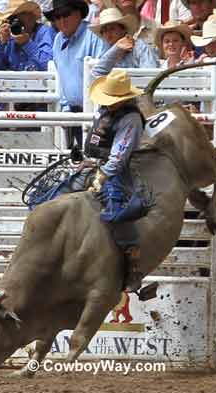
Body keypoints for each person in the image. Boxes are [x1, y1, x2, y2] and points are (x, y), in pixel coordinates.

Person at [86, 69, 146, 292]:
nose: (108, 103)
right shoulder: (105, 111)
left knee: (117, 204)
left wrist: (103, 174)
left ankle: (133, 266)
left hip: (121, 170)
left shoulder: (131, 119)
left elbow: (119, 157)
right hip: (94, 162)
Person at [46, 0, 108, 113]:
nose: (62, 20)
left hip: (95, 111)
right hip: (71, 112)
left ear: (78, 13)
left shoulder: (94, 35)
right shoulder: (58, 40)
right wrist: (65, 108)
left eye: (66, 14)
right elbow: (61, 78)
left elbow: (101, 77)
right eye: (57, 17)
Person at [0, 0, 56, 71]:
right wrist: (0, 44)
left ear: (32, 16)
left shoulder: (45, 32)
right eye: (12, 18)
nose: (15, 21)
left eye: (20, 15)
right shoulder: (10, 37)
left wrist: (27, 44)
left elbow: (48, 65)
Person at [90, 8, 159, 78]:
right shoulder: (106, 50)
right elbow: (95, 73)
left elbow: (150, 76)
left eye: (112, 28)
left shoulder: (140, 47)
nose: (108, 33)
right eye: (104, 31)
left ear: (123, 29)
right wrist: (116, 49)